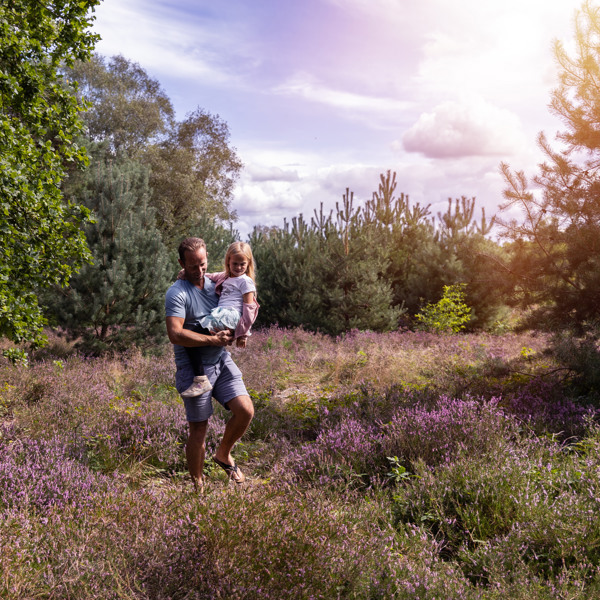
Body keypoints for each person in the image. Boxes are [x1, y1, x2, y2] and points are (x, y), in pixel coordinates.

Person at [165, 237, 255, 490]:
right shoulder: (177, 293)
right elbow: (175, 333)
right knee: (199, 430)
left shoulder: (216, 283)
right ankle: (198, 486)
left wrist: (231, 335)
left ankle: (223, 454)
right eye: (192, 266)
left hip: (221, 360)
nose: (199, 271)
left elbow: (238, 302)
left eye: (203, 264)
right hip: (194, 369)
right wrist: (212, 339)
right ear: (182, 263)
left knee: (245, 410)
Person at [181, 242, 259, 398]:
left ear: (248, 263)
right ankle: (202, 377)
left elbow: (249, 310)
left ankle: (201, 379)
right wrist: (186, 273)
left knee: (189, 337)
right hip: (221, 314)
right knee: (191, 339)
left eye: (242, 264)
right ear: (228, 261)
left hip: (229, 316)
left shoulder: (246, 282)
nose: (238, 267)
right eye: (234, 263)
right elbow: (208, 276)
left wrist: (243, 334)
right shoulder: (225, 276)